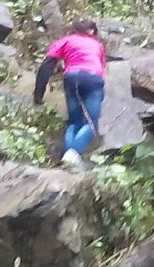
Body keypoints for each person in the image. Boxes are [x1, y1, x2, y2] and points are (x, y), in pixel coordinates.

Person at [34, 18, 106, 168]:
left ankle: (67, 158)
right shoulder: (97, 45)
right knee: (91, 124)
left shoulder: (66, 40)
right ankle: (73, 153)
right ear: (91, 31)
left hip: (72, 78)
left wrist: (38, 95)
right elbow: (101, 69)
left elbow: (47, 66)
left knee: (74, 122)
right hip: (93, 79)